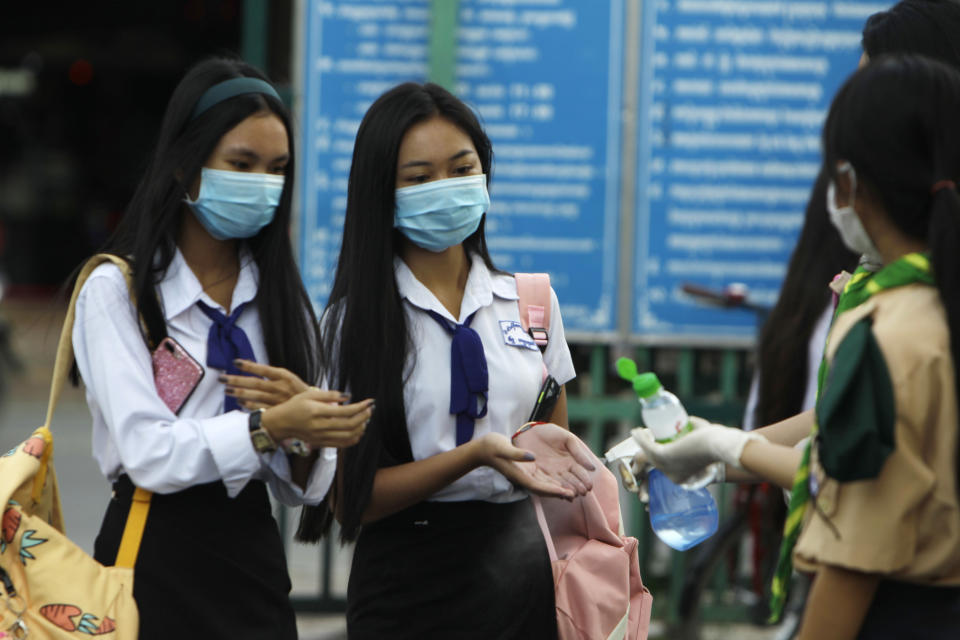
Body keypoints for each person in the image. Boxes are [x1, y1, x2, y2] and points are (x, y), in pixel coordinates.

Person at [226, 81, 597, 639]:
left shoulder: (532, 302)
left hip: (524, 575)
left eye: (461, 168)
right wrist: (474, 457)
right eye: (419, 179)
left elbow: (556, 459)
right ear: (383, 192)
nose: (444, 189)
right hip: (407, 587)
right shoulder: (354, 323)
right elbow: (351, 498)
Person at [637, 54, 960, 639]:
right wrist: (723, 449)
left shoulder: (888, 330)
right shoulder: (938, 302)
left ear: (848, 183)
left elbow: (854, 545)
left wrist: (726, 446)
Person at [71, 56, 373, 638]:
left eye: (277, 168)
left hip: (251, 561)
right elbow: (147, 453)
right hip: (148, 553)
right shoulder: (117, 291)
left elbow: (297, 486)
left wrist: (310, 429)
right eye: (242, 163)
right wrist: (269, 424)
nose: (261, 182)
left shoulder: (281, 299)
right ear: (186, 165)